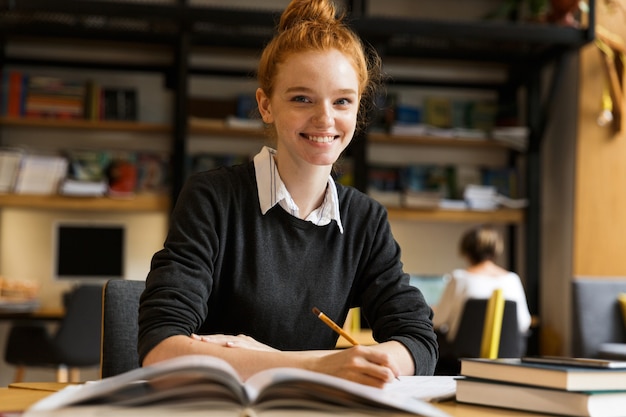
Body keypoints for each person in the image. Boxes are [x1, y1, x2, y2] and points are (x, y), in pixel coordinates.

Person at [138, 0, 438, 388]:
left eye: (342, 101)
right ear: (266, 105)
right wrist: (318, 366)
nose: (325, 119)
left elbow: (419, 344)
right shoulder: (213, 198)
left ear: (358, 108)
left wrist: (280, 361)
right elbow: (161, 350)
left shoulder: (365, 219)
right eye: (301, 98)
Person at [432, 224, 532, 366]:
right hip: (507, 359)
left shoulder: (459, 278)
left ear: (466, 251)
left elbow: (438, 321)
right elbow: (524, 324)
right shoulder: (512, 279)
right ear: (496, 250)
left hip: (460, 360)